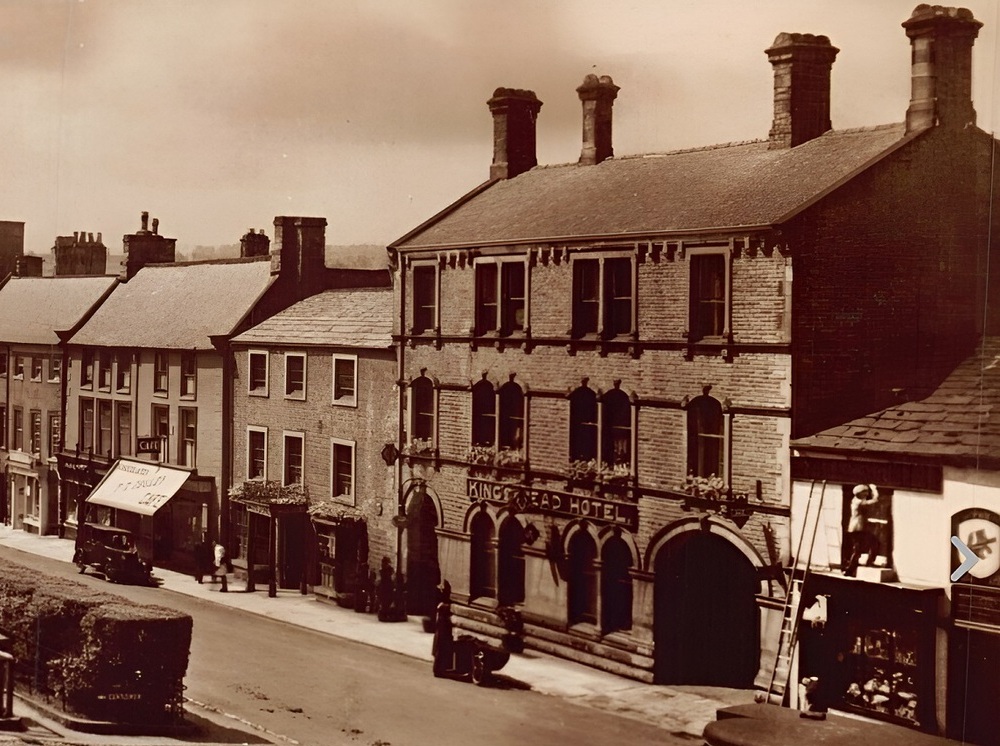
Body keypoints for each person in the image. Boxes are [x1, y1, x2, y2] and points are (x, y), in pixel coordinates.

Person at [844, 484, 879, 577]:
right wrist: (874, 489)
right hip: (858, 528)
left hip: (856, 528)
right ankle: (851, 569)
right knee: (861, 548)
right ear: (860, 493)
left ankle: (851, 569)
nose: (867, 494)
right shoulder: (859, 502)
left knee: (859, 548)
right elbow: (875, 500)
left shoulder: (855, 500)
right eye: (865, 492)